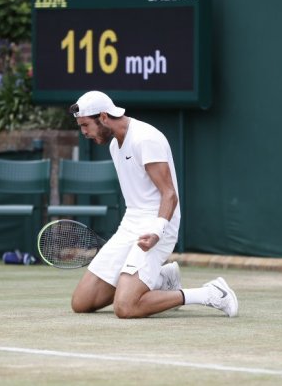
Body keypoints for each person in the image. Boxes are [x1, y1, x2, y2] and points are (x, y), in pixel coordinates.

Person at [69, 91, 238, 318]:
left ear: (103, 117)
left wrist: (158, 230)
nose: (84, 132)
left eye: (86, 125)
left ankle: (211, 293)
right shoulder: (114, 146)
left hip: (158, 225)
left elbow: (169, 195)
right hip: (130, 224)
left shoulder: (145, 139)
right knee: (82, 302)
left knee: (125, 307)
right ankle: (162, 279)